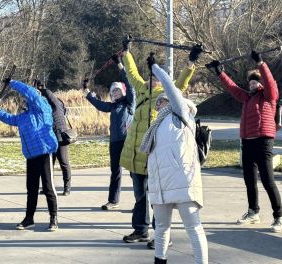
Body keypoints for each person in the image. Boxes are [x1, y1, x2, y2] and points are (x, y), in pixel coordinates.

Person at [120, 36, 200, 247]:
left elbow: (180, 83)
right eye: (151, 76)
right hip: (135, 155)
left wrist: (191, 63)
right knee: (139, 197)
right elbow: (131, 73)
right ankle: (140, 230)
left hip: (153, 157)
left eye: (156, 76)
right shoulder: (142, 88)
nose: (152, 79)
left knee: (157, 198)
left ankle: (162, 235)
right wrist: (126, 52)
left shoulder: (166, 93)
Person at [209, 50, 282, 233]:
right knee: (249, 180)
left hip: (263, 142)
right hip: (247, 143)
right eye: (250, 82)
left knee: (268, 180)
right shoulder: (247, 98)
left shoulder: (268, 96)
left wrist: (261, 63)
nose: (252, 85)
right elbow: (233, 88)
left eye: (255, 82)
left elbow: (270, 82)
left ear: (260, 84)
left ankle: (279, 216)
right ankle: (253, 212)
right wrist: (220, 72)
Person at [141, 55, 208, 264]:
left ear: (170, 100)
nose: (157, 104)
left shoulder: (181, 114)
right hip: (160, 186)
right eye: (157, 101)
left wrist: (155, 69)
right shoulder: (157, 124)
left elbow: (170, 87)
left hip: (182, 183)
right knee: (161, 229)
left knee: (193, 227)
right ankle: (159, 261)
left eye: (160, 100)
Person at [0, 78, 59, 231]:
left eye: (26, 98)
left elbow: (31, 93)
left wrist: (13, 83)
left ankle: (53, 217)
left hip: (44, 152)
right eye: (23, 99)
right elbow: (9, 118)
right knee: (31, 188)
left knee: (48, 187)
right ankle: (29, 218)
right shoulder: (23, 116)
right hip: (31, 156)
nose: (24, 100)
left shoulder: (43, 108)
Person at [83, 54, 135, 210]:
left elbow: (130, 85)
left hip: (128, 140)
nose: (115, 94)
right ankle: (113, 201)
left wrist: (119, 65)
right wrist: (86, 91)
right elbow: (99, 104)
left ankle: (141, 202)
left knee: (135, 172)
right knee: (115, 172)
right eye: (113, 92)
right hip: (114, 142)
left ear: (123, 93)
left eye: (118, 91)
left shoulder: (129, 104)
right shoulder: (112, 107)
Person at [37, 81, 72, 196]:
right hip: (49, 139)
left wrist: (41, 89)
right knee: (48, 165)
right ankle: (47, 187)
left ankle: (67, 188)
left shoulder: (57, 106)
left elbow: (50, 95)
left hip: (61, 138)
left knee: (64, 163)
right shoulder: (44, 110)